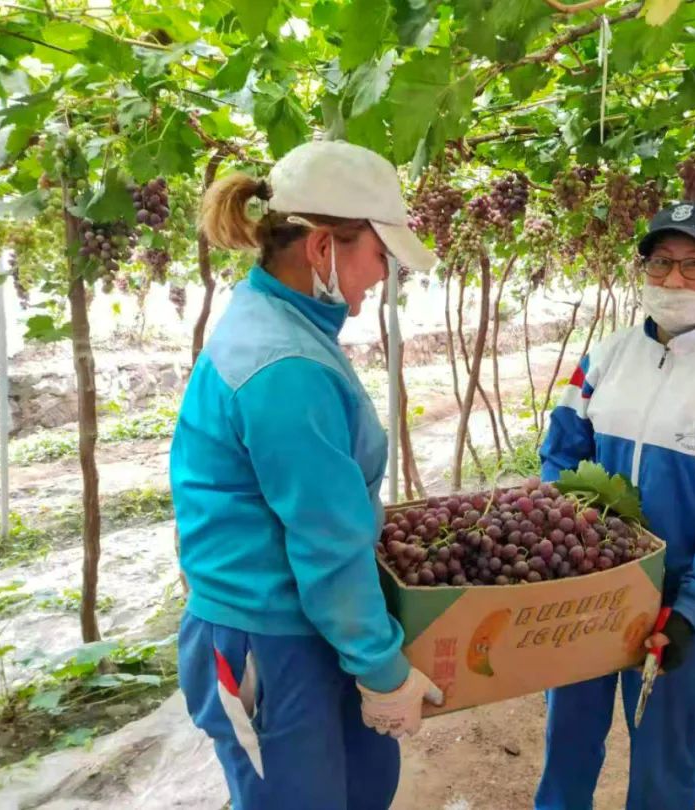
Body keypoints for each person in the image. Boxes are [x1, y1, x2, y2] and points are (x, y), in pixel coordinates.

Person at [170, 139, 443, 810]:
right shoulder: (286, 364)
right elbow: (326, 537)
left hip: (307, 626)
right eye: (380, 255)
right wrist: (381, 668)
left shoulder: (284, 324)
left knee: (361, 787)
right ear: (323, 248)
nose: (383, 276)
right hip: (268, 639)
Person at [535, 201, 695, 809]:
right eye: (660, 263)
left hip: (680, 607)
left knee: (664, 763)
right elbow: (561, 457)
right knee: (567, 739)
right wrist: (565, 562)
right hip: (586, 594)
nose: (674, 280)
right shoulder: (605, 358)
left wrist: (693, 608)